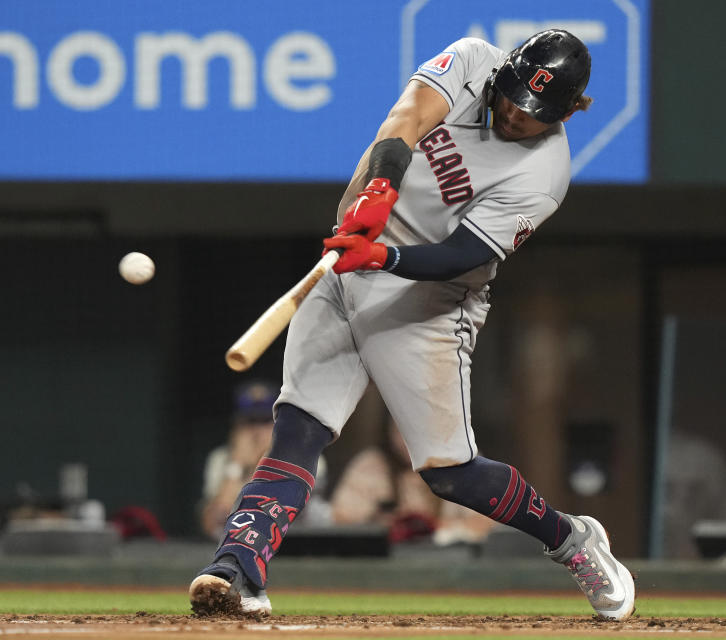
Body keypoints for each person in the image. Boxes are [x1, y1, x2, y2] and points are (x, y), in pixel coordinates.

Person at [189, 29, 636, 621]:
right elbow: (406, 117)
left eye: (531, 113)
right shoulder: (475, 59)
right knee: (299, 425)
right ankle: (237, 568)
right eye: (510, 97)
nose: (512, 113)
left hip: (429, 301)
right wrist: (379, 190)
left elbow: (461, 255)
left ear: (564, 113)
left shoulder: (545, 171)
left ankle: (570, 538)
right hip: (347, 265)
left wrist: (383, 256)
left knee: (451, 477)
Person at [331, 418, 496, 546]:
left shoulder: (463, 463)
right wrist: (392, 527)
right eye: (401, 429)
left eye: (418, 429)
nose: (409, 440)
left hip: (450, 566)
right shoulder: (370, 466)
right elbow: (340, 521)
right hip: (386, 567)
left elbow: (487, 524)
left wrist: (429, 528)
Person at [199, 380, 329, 539]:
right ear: (237, 426)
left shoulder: (306, 458)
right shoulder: (221, 459)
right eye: (250, 422)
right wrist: (237, 464)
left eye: (265, 421)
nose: (256, 431)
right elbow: (215, 523)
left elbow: (272, 516)